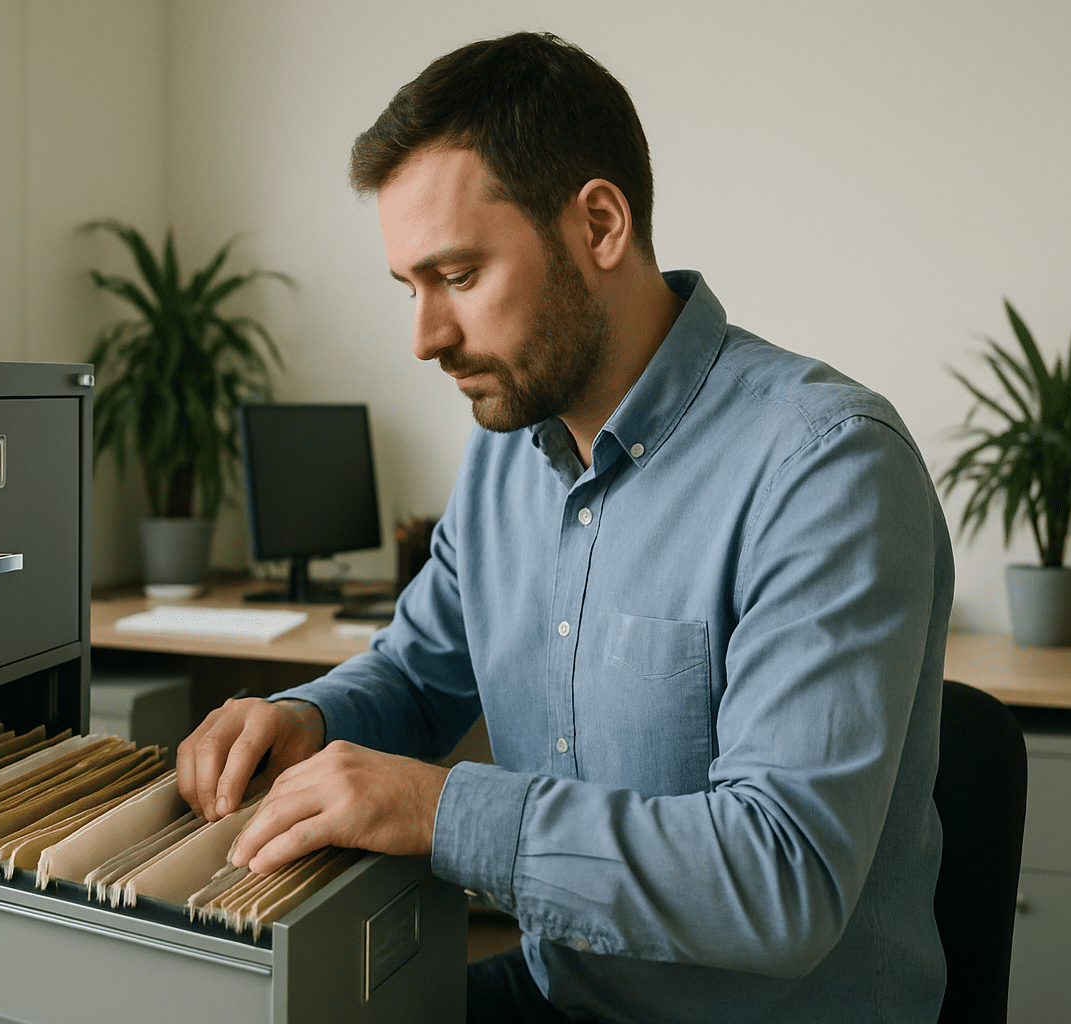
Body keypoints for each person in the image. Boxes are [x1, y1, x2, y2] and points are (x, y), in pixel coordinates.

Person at [177, 31, 953, 1024]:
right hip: (571, 996)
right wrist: (310, 717)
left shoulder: (828, 466)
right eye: (410, 289)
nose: (425, 339)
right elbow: (417, 672)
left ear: (599, 223)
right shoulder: (508, 452)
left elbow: (781, 880)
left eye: (457, 276)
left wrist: (439, 807)